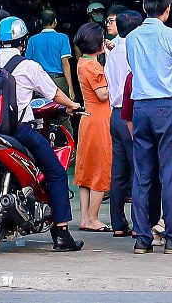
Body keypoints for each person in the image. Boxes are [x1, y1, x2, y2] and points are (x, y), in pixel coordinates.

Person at [0, 16, 85, 251]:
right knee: (55, 173)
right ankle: (62, 234)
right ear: (23, 42)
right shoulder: (28, 66)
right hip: (18, 131)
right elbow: (54, 93)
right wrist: (72, 105)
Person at [124, 0, 172, 254]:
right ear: (167, 10)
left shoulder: (131, 38)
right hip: (167, 107)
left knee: (142, 175)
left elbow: (133, 69)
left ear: (144, 8)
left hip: (140, 108)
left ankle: (142, 238)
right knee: (171, 174)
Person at [74, 22, 113, 231]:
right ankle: (93, 218)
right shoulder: (94, 66)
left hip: (87, 117)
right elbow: (103, 94)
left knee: (86, 170)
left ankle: (84, 217)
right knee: (100, 168)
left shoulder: (82, 62)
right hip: (100, 118)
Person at [105, 8, 140, 237]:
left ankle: (118, 224)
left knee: (118, 172)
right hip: (131, 113)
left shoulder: (112, 51)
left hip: (115, 113)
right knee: (139, 170)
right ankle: (140, 224)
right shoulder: (135, 51)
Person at [27, 8, 75, 97]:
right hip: (59, 81)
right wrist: (70, 87)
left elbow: (29, 65)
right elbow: (65, 63)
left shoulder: (32, 40)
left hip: (40, 82)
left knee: (42, 108)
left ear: (41, 21)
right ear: (55, 21)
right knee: (63, 109)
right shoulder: (63, 38)